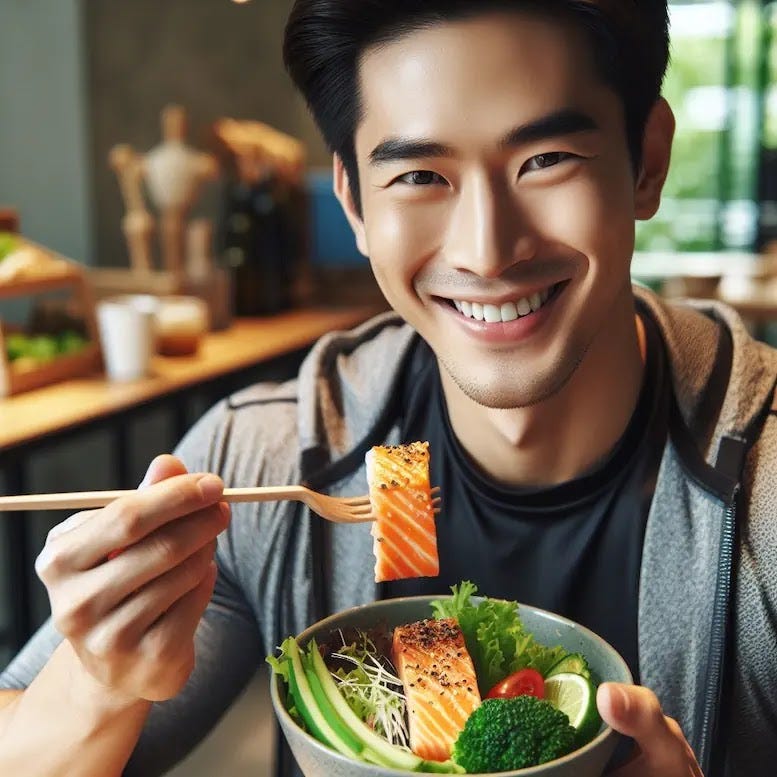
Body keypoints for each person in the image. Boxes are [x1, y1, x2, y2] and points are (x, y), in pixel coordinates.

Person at [1, 2, 775, 775]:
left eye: (544, 160)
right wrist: (94, 686)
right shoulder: (269, 455)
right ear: (354, 203)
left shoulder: (764, 489)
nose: (486, 250)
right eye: (417, 175)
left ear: (645, 160)